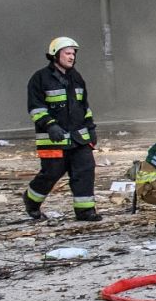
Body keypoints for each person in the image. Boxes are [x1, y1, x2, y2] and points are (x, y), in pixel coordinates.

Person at [24, 36, 101, 221]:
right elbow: (35, 108)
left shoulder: (76, 78)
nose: (71, 57)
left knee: (85, 169)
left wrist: (90, 128)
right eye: (67, 53)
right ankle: (31, 200)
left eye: (73, 53)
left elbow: (84, 106)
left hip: (78, 137)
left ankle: (85, 211)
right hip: (53, 138)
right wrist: (50, 125)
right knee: (52, 173)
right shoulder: (40, 78)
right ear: (55, 55)